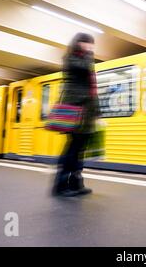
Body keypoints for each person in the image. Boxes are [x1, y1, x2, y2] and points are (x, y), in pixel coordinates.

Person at [52, 32, 100, 197]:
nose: (90, 47)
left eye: (91, 44)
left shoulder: (85, 58)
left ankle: (76, 184)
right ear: (78, 43)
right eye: (87, 43)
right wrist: (89, 54)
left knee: (80, 150)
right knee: (72, 150)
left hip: (87, 112)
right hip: (74, 110)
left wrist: (98, 113)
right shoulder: (71, 58)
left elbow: (93, 88)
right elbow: (83, 69)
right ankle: (60, 186)